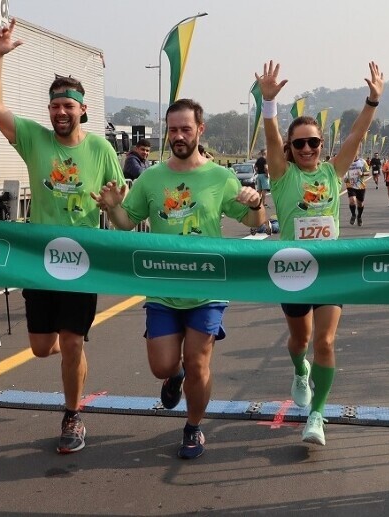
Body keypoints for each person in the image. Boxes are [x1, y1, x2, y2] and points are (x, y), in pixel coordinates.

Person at [92, 99, 266, 460]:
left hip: (207, 288)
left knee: (200, 361)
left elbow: (253, 223)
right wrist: (111, 207)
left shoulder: (220, 177)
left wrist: (254, 204)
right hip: (163, 289)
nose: (179, 136)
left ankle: (192, 428)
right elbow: (127, 222)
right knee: (161, 366)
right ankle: (176, 375)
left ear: (200, 130)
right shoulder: (152, 178)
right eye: (173, 130)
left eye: (186, 129)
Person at [0, 19, 125, 454]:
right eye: (55, 106)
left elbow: (121, 219)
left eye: (69, 105)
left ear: (83, 109)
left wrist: (112, 206)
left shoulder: (101, 150)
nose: (61, 112)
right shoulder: (34, 139)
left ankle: (72, 413)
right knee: (42, 348)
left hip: (81, 260)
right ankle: (73, 374)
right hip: (38, 259)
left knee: (71, 341)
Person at [255, 59, 384, 446]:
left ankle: (317, 415)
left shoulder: (332, 173)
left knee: (325, 341)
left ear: (321, 146)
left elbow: (357, 138)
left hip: (329, 271)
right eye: (300, 143)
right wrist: (269, 105)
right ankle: (299, 371)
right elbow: (272, 138)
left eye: (314, 142)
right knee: (300, 341)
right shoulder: (282, 176)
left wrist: (372, 102)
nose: (308, 148)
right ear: (290, 150)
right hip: (292, 272)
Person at [345, 155, 372, 226]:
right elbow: (344, 172)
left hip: (360, 185)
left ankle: (359, 216)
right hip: (350, 185)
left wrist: (362, 173)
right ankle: (353, 215)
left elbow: (368, 172)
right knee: (352, 200)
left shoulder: (362, 162)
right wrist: (345, 178)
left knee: (360, 203)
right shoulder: (347, 161)